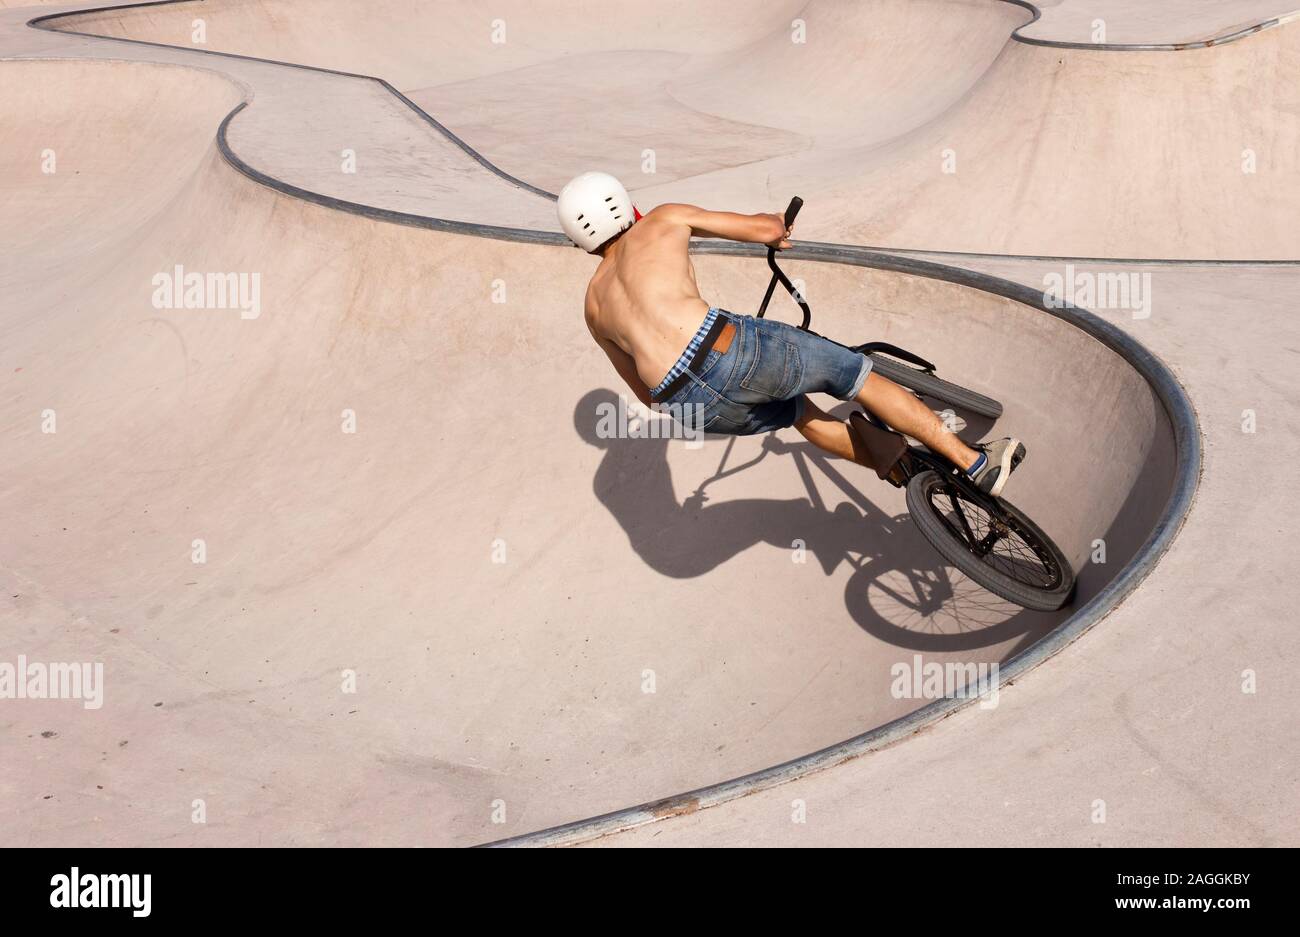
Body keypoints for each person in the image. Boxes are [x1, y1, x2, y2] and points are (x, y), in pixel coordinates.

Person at [560, 171, 1024, 496]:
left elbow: (646, 396)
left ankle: (907, 470)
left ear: (578, 239)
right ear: (626, 204)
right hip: (728, 349)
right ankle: (974, 464)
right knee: (858, 378)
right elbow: (760, 228)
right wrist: (775, 229)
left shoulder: (593, 305)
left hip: (691, 407)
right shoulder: (662, 219)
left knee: (801, 413)